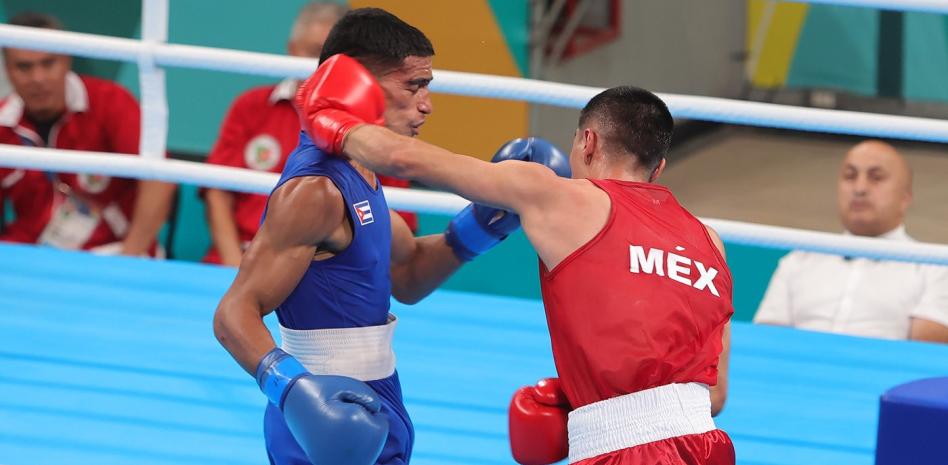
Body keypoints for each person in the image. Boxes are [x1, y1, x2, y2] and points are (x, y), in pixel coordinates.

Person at [296, 53, 735, 464]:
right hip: (710, 447)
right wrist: (589, 396)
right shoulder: (709, 241)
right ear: (658, 169)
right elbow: (712, 396)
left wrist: (332, 121)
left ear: (587, 142)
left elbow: (404, 158)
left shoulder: (562, 196)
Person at [212, 8, 569, 465]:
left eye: (427, 85)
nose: (427, 103)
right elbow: (232, 313)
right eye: (413, 85)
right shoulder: (317, 191)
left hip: (378, 394)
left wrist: (484, 223)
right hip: (322, 412)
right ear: (355, 83)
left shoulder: (362, 171)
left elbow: (408, 272)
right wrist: (294, 390)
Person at [203, 2, 418, 267]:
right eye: (316, 52)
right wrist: (235, 266)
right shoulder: (251, 106)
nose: (323, 66)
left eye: (336, 58)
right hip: (241, 257)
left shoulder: (375, 124)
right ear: (292, 50)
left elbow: (396, 221)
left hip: (329, 270)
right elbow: (217, 192)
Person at [0, 12, 175, 256]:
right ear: (7, 69)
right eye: (24, 67)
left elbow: (160, 181)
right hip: (29, 251)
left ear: (66, 60)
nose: (37, 78)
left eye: (48, 63)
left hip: (113, 249)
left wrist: (129, 258)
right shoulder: (2, 123)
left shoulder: (110, 101)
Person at [755, 140, 948, 343]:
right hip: (797, 371)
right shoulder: (799, 260)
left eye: (876, 178)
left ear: (905, 197)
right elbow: (767, 342)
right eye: (850, 176)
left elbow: (926, 354)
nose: (860, 188)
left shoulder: (935, 267)